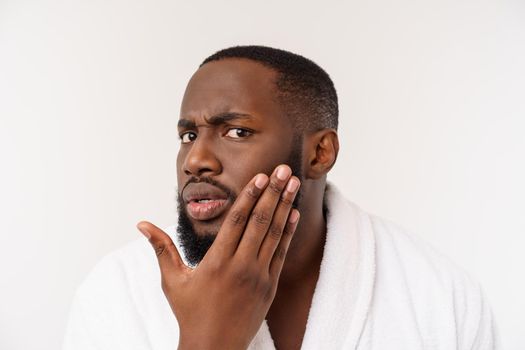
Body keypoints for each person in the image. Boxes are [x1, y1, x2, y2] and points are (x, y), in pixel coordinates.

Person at [63, 46, 498, 350]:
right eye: (188, 135)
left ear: (319, 153)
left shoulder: (439, 297)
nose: (195, 160)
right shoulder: (115, 293)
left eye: (237, 132)